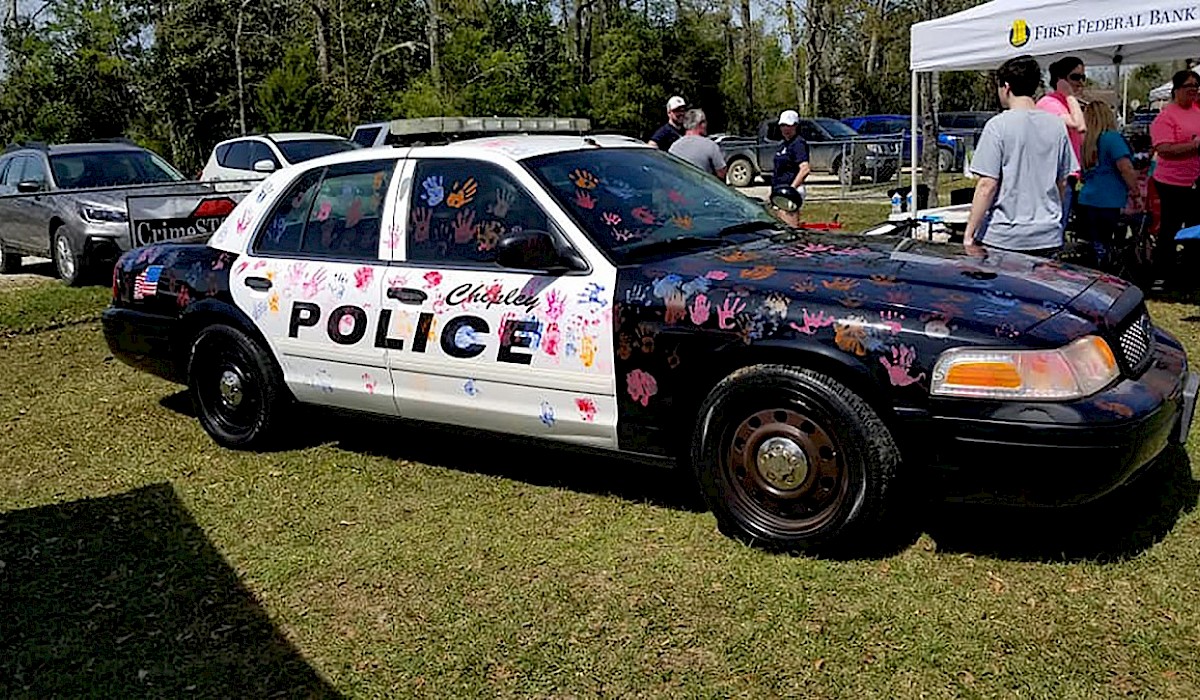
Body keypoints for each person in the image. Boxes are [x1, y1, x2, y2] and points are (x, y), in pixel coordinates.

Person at [963, 55, 1077, 258]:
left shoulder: (998, 126)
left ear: (1006, 87)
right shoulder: (1057, 126)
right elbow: (1062, 182)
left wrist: (969, 234)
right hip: (1047, 234)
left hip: (1005, 235)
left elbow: (986, 185)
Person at [1148, 69, 1200, 291]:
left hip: (1196, 181)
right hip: (1171, 183)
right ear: (1177, 90)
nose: (1193, 91)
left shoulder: (1198, 112)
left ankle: (1191, 273)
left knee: (1195, 228)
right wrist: (1195, 145)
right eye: (1189, 86)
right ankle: (1163, 275)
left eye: (1196, 87)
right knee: (1170, 229)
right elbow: (1164, 148)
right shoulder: (1166, 116)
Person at [1076, 100, 1142, 271]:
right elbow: (1125, 167)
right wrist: (1135, 192)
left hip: (1087, 199)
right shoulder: (1112, 138)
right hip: (1110, 201)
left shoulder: (1087, 143)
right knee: (1110, 243)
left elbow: (1083, 176)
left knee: (1093, 245)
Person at [1037, 56, 1088, 233]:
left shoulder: (1067, 103)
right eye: (1075, 77)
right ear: (1061, 79)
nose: (1080, 82)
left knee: (1060, 227)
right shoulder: (1049, 103)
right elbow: (1079, 125)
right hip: (1055, 178)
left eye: (1083, 77)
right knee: (1054, 230)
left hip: (1069, 176)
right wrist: (1069, 95)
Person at [769, 109, 811, 227]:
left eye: (788, 126)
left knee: (790, 227)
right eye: (783, 125)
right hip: (779, 190)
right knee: (780, 226)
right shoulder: (784, 144)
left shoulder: (798, 144)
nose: (785, 129)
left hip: (789, 191)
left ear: (795, 126)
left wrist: (792, 189)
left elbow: (805, 168)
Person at [668, 108, 727, 180]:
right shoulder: (710, 146)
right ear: (700, 124)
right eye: (705, 121)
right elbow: (721, 173)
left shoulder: (674, 147)